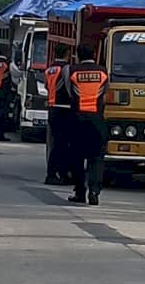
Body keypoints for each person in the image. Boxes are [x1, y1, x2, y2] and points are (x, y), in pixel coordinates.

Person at [65, 45, 109, 206]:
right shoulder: (103, 72)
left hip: (77, 119)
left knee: (76, 158)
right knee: (97, 158)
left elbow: (70, 93)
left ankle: (80, 192)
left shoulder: (71, 71)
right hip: (97, 120)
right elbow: (104, 94)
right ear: (95, 54)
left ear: (77, 55)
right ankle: (94, 192)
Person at [44, 45, 73, 186]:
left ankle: (57, 173)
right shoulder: (65, 68)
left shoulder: (50, 69)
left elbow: (46, 87)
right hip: (63, 108)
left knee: (56, 143)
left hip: (52, 108)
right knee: (62, 144)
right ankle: (56, 174)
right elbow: (69, 87)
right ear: (67, 53)